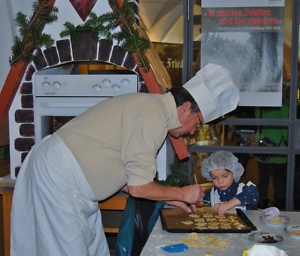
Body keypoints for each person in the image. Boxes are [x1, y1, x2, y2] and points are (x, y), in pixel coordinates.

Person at [10, 63, 240, 256]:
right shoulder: (154, 115)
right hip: (57, 177)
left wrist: (172, 198)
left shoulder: (154, 110)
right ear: (186, 108)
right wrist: (182, 193)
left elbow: (129, 177)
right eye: (197, 124)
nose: (192, 132)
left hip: (70, 185)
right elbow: (139, 187)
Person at [255, 86, 289, 209]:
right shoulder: (284, 108)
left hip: (263, 147)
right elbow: (286, 130)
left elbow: (258, 126)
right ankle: (279, 202)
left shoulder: (260, 108)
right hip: (279, 149)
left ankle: (261, 201)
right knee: (279, 179)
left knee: (263, 179)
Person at [201, 151, 259, 216]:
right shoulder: (210, 194)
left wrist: (230, 203)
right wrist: (213, 209)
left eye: (225, 176)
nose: (220, 181)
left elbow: (253, 195)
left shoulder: (243, 190)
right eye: (214, 178)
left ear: (234, 172)